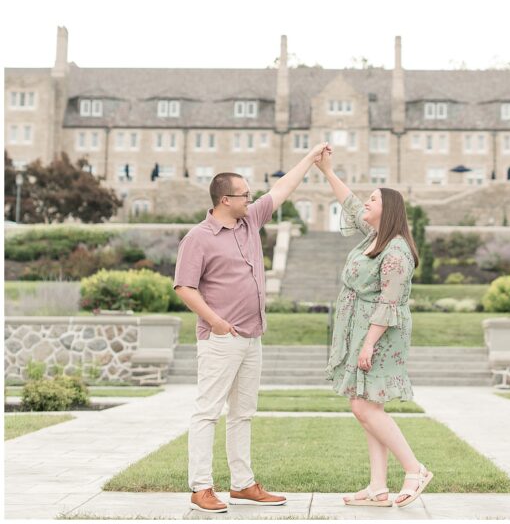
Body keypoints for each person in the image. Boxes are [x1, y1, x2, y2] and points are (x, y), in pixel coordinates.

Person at [173, 142, 329, 513]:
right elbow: (183, 286)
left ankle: (242, 484)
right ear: (225, 199)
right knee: (207, 412)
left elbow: (281, 190)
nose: (251, 198)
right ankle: (201, 488)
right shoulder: (198, 238)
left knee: (243, 413)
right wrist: (216, 322)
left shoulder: (251, 222)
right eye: (244, 194)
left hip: (253, 337)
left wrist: (308, 159)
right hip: (220, 339)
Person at [316, 149, 433, 508]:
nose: (365, 202)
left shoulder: (396, 252)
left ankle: (415, 470)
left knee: (363, 407)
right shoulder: (373, 238)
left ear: (390, 210)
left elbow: (389, 304)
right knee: (369, 406)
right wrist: (327, 171)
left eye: (373, 199)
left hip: (380, 334)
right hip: (362, 328)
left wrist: (367, 345)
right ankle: (378, 487)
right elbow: (350, 204)